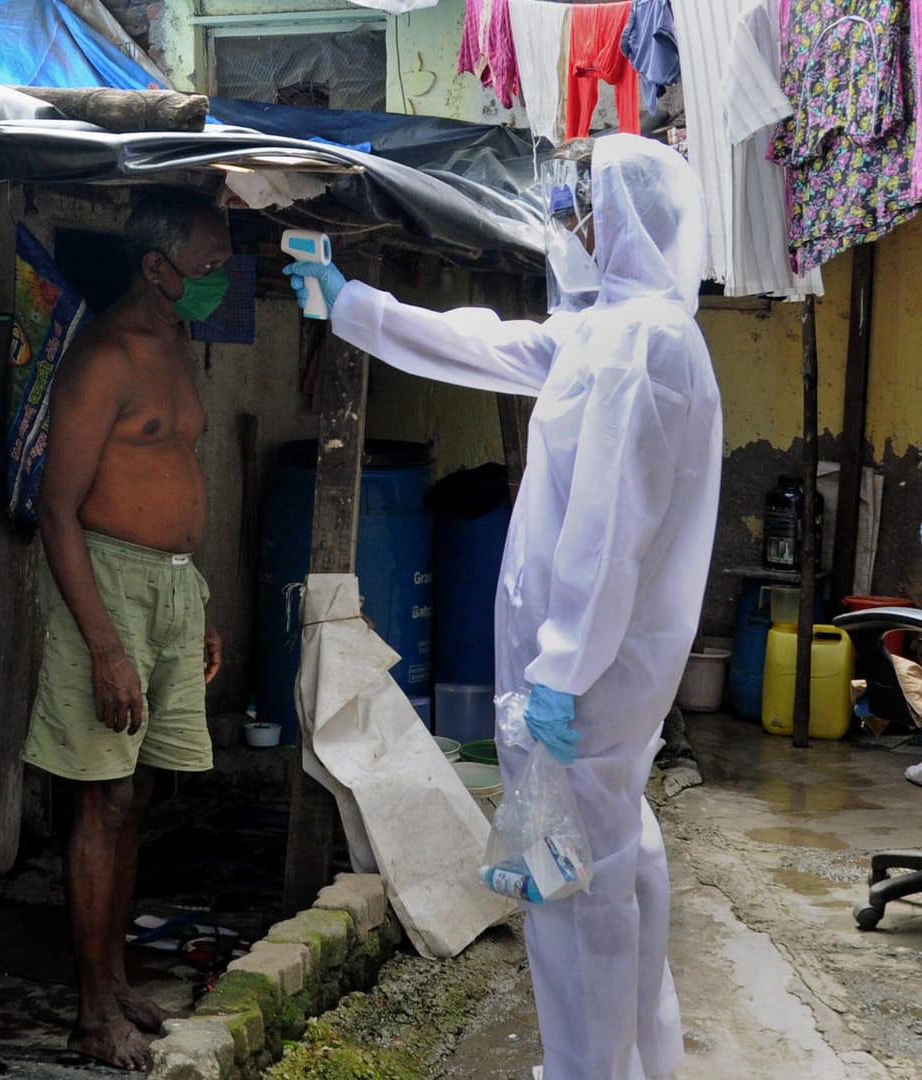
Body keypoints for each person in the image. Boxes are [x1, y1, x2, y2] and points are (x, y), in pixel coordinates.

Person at [287, 135, 721, 1080]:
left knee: (576, 893)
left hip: (588, 679)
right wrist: (354, 306)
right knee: (615, 856)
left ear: (632, 222)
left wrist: (562, 668)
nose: (572, 219)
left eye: (588, 203)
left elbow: (612, 530)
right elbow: (489, 343)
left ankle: (589, 1070)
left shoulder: (640, 345)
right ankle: (636, 1061)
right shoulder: (611, 332)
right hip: (590, 674)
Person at [25, 188, 228, 1070]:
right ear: (158, 268)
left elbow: (176, 475)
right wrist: (107, 645)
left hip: (174, 591)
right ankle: (89, 1012)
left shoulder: (180, 345)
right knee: (101, 796)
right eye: (212, 266)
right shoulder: (105, 356)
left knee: (138, 794)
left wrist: (199, 605)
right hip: (105, 589)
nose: (223, 280)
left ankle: (112, 984)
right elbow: (56, 510)